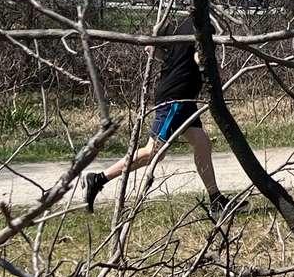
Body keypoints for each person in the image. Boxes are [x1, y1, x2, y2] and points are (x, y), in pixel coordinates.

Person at [83, 14, 238, 217]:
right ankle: (98, 179)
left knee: (202, 142)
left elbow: (151, 49)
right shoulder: (204, 26)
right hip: (176, 97)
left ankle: (216, 199)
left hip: (183, 97)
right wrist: (213, 70)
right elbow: (199, 58)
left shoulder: (176, 23)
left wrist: (174, 62)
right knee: (153, 151)